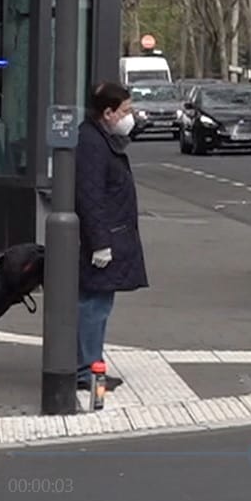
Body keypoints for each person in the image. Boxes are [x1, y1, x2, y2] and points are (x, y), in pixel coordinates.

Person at [75, 81, 150, 392]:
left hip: (110, 235)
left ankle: (91, 365)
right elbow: (90, 196)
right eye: (125, 111)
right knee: (94, 305)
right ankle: (86, 369)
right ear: (107, 113)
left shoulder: (99, 137)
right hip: (105, 238)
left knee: (99, 304)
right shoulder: (92, 143)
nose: (129, 116)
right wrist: (100, 243)